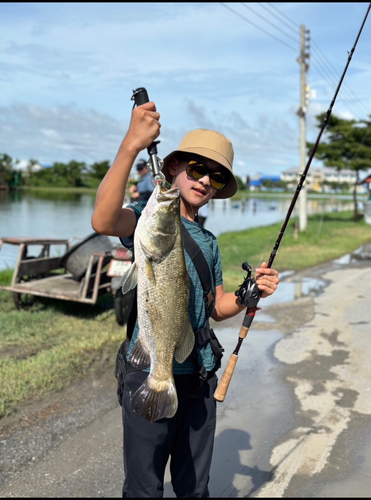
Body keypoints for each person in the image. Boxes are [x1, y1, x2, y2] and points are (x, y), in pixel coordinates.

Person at [91, 100, 280, 498]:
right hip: (150, 372)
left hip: (197, 377)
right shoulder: (150, 216)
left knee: (195, 488)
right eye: (196, 170)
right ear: (173, 169)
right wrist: (130, 145)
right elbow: (104, 221)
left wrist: (249, 295)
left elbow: (216, 306)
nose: (204, 181)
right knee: (143, 487)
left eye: (214, 177)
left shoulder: (209, 242)